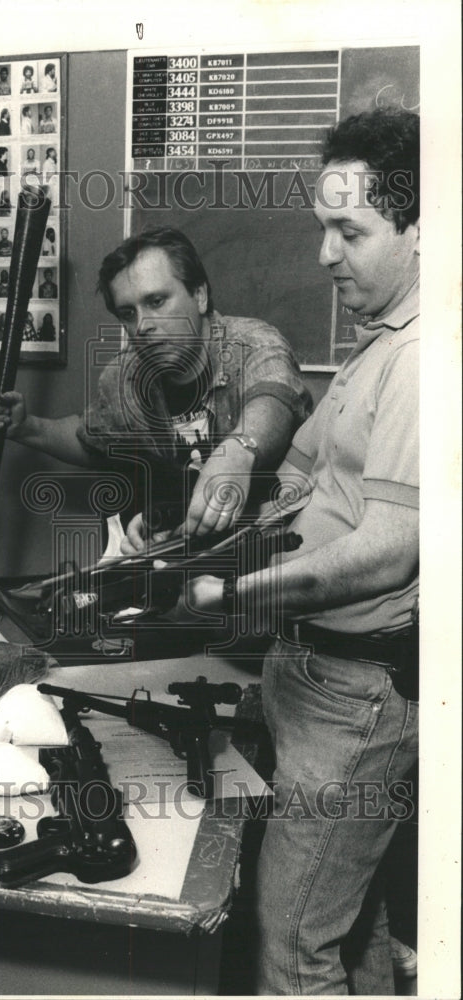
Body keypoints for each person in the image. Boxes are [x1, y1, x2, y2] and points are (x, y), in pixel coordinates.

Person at [180, 109, 421, 996]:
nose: (325, 255)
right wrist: (194, 534)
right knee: (348, 924)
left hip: (357, 697)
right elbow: (301, 482)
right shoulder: (377, 347)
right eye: (324, 227)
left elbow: (391, 551)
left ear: (423, 230)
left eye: (349, 231)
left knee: (290, 947)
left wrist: (237, 595)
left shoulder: (429, 360)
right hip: (311, 674)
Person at [0, 226, 311, 541]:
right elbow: (94, 438)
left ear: (199, 296)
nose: (142, 326)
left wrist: (240, 451)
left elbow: (273, 399)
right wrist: (26, 427)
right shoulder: (125, 376)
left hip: (276, 544)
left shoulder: (254, 344)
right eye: (127, 313)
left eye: (156, 302)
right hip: (189, 549)